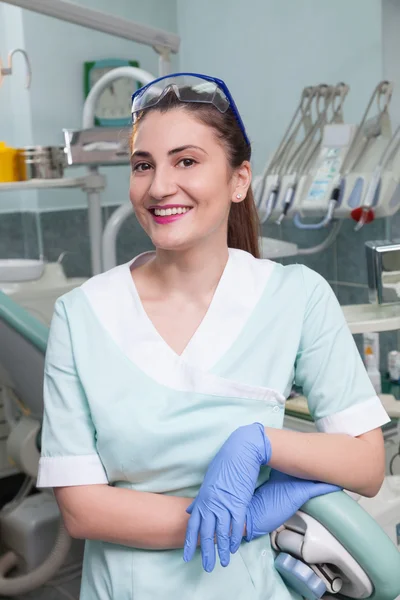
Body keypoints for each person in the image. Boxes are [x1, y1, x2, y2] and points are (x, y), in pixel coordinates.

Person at [36, 73, 390, 600]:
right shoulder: (81, 315)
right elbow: (83, 509)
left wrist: (263, 442)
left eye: (186, 161)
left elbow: (366, 464)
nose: (159, 187)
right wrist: (241, 519)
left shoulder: (296, 297)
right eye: (143, 165)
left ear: (239, 179)